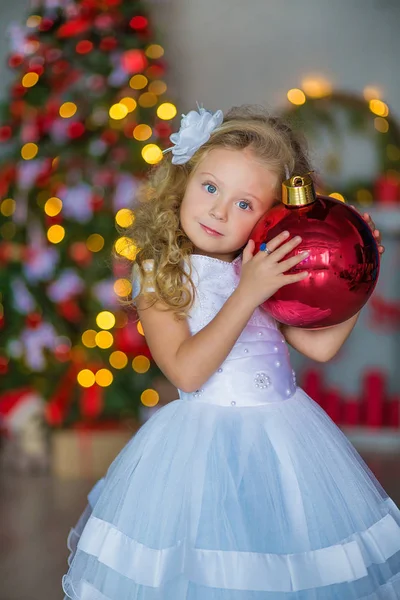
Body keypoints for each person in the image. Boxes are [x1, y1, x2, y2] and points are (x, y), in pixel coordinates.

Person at [62, 104, 400, 600]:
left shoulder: (262, 269)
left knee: (279, 572)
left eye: (246, 204)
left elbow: (321, 346)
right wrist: (248, 291)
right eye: (211, 187)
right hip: (201, 452)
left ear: (272, 217)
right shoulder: (162, 274)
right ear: (185, 180)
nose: (220, 210)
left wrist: (358, 273)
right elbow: (187, 372)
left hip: (287, 446)